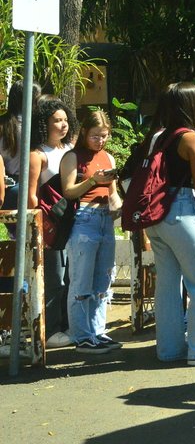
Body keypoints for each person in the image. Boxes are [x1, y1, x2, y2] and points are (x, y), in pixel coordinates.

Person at [144, 82, 195, 366]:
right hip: (183, 212)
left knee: (167, 285)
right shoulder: (192, 138)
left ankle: (168, 349)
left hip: (156, 217)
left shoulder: (157, 136)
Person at [59, 109, 123, 354]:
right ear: (85, 132)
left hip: (105, 218)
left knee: (103, 279)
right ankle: (81, 334)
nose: (100, 141)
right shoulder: (72, 157)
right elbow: (69, 190)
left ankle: (98, 330)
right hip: (83, 218)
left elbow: (113, 192)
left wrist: (119, 207)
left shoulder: (108, 157)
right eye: (96, 136)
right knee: (81, 279)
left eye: (104, 136)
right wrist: (93, 181)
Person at [26, 95, 76, 348]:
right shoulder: (38, 155)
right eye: (57, 120)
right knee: (54, 278)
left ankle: (68, 325)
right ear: (45, 124)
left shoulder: (70, 150)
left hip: (72, 222)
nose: (63, 125)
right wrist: (41, 228)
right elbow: (31, 195)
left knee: (71, 277)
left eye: (66, 120)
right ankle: (52, 329)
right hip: (50, 225)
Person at [0, 80, 42, 211]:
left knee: (15, 229)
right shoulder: (35, 126)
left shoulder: (3, 124)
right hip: (30, 186)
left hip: (7, 186)